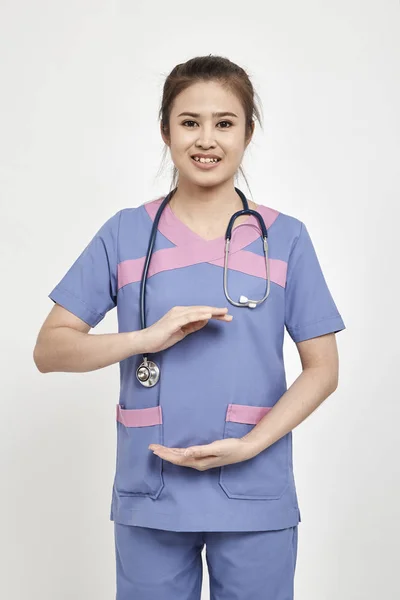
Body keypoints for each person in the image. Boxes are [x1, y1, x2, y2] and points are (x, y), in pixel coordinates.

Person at [34, 55, 346, 600]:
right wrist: (144, 338)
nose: (207, 139)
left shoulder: (287, 238)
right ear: (165, 130)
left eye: (225, 123)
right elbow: (50, 349)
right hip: (152, 489)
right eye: (189, 122)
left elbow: (323, 369)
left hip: (255, 492)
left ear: (249, 132)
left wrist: (251, 446)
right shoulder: (126, 234)